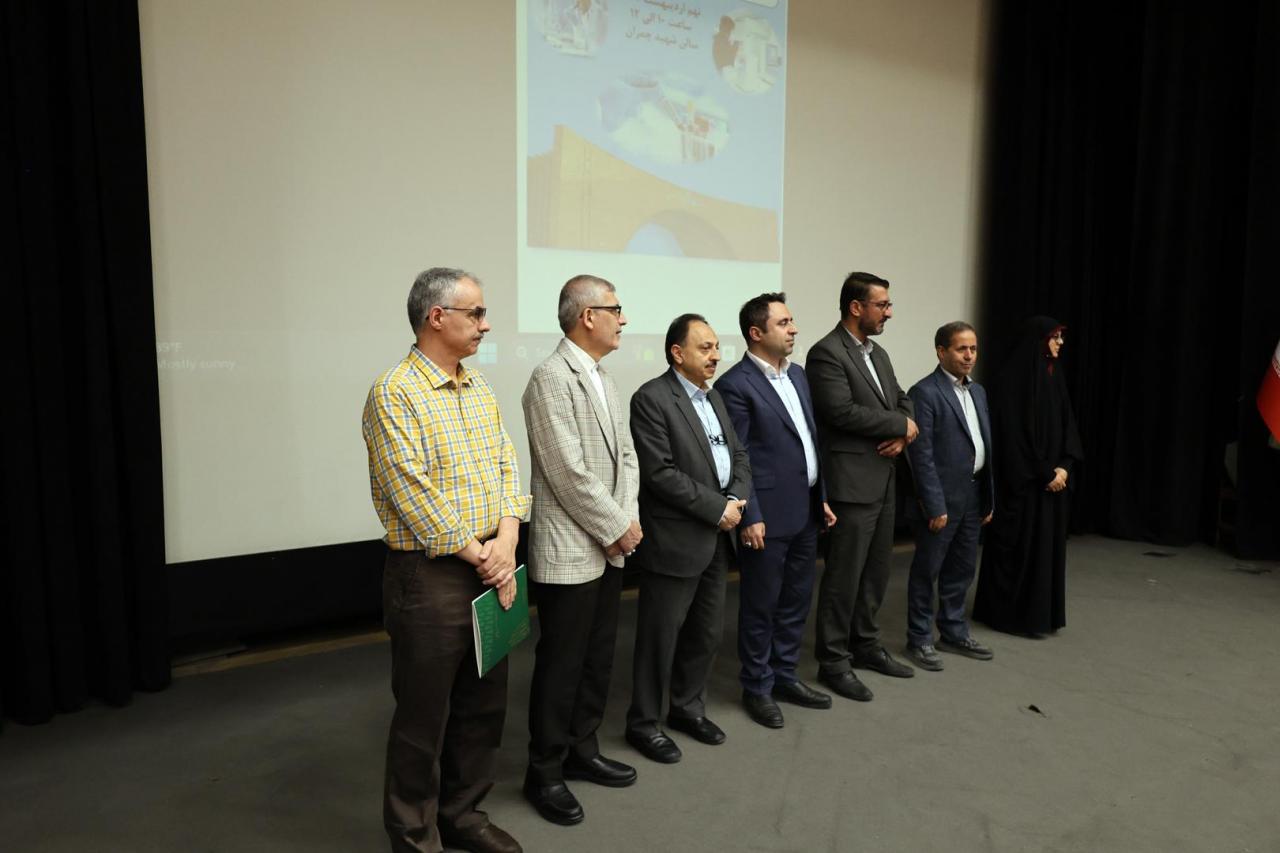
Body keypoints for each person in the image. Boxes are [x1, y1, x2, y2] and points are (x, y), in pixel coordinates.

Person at [362, 268, 529, 853]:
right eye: (475, 313)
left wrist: (507, 539)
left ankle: (463, 815)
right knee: (423, 718)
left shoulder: (477, 386)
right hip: (431, 575)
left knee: (484, 705)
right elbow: (410, 491)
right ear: (437, 317)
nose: (486, 324)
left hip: (492, 561)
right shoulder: (394, 391)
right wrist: (487, 557)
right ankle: (414, 837)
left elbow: (508, 464)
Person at [521, 276, 641, 826]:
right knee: (562, 665)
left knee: (597, 657)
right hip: (571, 549)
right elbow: (565, 471)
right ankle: (543, 772)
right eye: (616, 309)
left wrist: (625, 521)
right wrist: (616, 525)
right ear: (588, 316)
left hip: (609, 542)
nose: (623, 319)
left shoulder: (604, 377)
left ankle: (582, 749)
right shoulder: (550, 377)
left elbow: (627, 458)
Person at [625, 313, 751, 763]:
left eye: (716, 346)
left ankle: (687, 710)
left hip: (717, 537)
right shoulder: (652, 399)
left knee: (706, 633)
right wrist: (718, 508)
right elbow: (660, 474)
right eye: (705, 347)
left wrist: (735, 499)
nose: (716, 355)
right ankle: (643, 723)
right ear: (677, 353)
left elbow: (738, 454)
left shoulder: (713, 397)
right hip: (676, 540)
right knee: (659, 639)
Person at [715, 293, 837, 728]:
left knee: (796, 599)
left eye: (792, 321)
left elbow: (809, 440)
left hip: (805, 508)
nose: (793, 329)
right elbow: (738, 457)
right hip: (765, 516)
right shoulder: (735, 385)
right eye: (784, 323)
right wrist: (749, 515)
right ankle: (758, 686)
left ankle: (785, 675)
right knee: (761, 605)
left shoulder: (798, 375)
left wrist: (821, 495)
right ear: (756, 332)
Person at [807, 271, 919, 701]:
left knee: (876, 571)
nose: (889, 313)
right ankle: (834, 661)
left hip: (884, 478)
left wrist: (904, 429)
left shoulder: (879, 353)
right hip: (851, 482)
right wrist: (899, 424)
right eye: (882, 305)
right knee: (844, 576)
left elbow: (902, 399)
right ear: (856, 307)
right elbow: (840, 411)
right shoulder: (826, 353)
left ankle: (866, 645)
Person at [973, 316, 1084, 637]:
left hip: (1052, 483)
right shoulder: (1012, 380)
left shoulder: (1054, 375)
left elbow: (1068, 425)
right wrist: (1044, 472)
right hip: (1024, 486)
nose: (1060, 343)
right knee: (1018, 549)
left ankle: (1039, 615)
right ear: (1039, 339)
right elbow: (1013, 437)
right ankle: (1010, 616)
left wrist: (1064, 466)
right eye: (1055, 337)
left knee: (1045, 551)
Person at [902, 322, 996, 672]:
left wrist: (987, 498)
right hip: (940, 499)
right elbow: (921, 455)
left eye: (973, 349)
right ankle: (919, 639)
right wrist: (934, 504)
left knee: (962, 568)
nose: (969, 355)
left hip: (972, 494)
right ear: (941, 352)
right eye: (961, 349)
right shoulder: (925, 392)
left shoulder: (978, 391)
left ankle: (954, 632)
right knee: (927, 570)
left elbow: (983, 445)